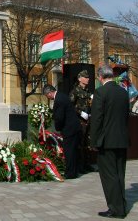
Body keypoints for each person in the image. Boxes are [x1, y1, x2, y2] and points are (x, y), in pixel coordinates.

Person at [90, 65, 129, 219]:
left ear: (100, 77)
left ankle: (115, 209)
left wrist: (94, 141)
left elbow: (97, 119)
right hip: (121, 138)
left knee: (109, 176)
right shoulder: (123, 92)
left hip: (106, 140)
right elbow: (125, 115)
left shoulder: (100, 92)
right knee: (120, 174)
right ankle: (122, 205)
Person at [43, 84, 81, 179]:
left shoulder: (59, 100)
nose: (48, 97)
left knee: (69, 151)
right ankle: (74, 171)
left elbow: (59, 117)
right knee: (73, 151)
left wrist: (58, 128)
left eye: (47, 95)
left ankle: (70, 173)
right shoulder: (62, 95)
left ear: (49, 93)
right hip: (74, 127)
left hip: (69, 129)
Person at [69, 70, 93, 173]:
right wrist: (80, 113)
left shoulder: (88, 91)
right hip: (79, 122)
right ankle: (80, 166)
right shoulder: (75, 91)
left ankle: (87, 164)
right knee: (80, 144)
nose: (87, 79)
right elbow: (70, 106)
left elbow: (89, 104)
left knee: (87, 144)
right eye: (85, 77)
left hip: (88, 121)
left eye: (88, 77)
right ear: (80, 79)